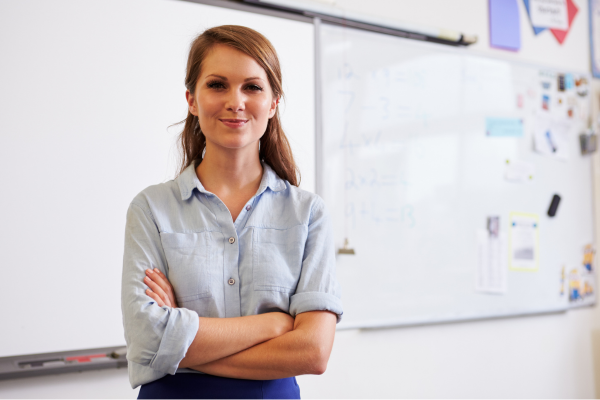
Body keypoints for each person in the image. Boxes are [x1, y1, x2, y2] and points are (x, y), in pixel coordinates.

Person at [121, 25, 343, 399]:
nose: (235, 101)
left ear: (273, 103)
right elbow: (146, 337)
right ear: (192, 99)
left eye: (252, 87)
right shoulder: (151, 209)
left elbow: (314, 351)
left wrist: (175, 349)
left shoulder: (308, 214)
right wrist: (274, 324)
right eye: (217, 85)